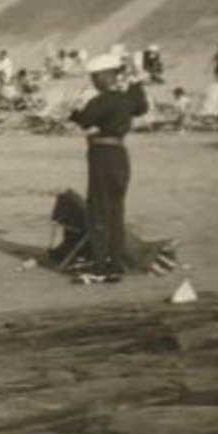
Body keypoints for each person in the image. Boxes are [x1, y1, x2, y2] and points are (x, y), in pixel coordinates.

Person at [69, 53, 149, 283]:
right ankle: (114, 265)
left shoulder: (104, 99)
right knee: (116, 212)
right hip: (120, 156)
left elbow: (85, 119)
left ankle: (101, 267)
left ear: (106, 75)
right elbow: (141, 107)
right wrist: (136, 82)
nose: (93, 82)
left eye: (95, 77)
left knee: (99, 212)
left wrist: (73, 111)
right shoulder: (126, 98)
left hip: (102, 157)